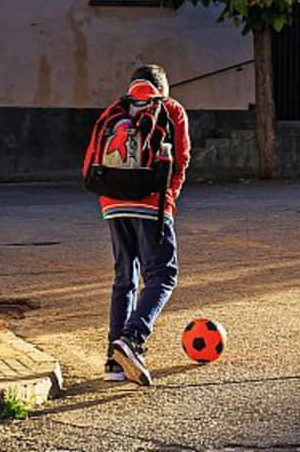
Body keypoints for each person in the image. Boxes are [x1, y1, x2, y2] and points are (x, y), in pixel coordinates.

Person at [81, 64, 189, 385]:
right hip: (151, 204)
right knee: (163, 275)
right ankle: (132, 338)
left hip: (112, 205)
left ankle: (114, 364)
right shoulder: (171, 109)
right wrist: (168, 201)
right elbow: (181, 160)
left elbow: (89, 162)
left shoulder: (114, 111)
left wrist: (110, 199)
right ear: (163, 88)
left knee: (124, 279)